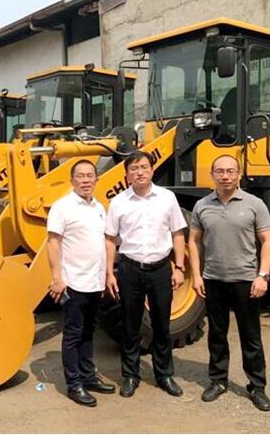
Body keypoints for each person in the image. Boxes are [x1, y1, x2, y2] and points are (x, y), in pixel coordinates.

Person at [188, 154, 270, 411]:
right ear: (212, 175)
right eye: (220, 171)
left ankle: (257, 386)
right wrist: (196, 275)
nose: (225, 176)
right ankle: (218, 381)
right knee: (217, 334)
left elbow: (267, 241)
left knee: (251, 336)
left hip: (246, 281)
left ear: (239, 174)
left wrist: (263, 275)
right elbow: (193, 241)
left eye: (230, 171)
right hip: (213, 280)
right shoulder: (202, 205)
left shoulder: (255, 204)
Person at [105, 150, 187, 398]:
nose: (139, 172)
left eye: (143, 167)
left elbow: (178, 233)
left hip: (160, 269)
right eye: (133, 169)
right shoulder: (118, 202)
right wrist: (109, 273)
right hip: (130, 269)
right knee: (130, 325)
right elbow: (110, 239)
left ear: (152, 170)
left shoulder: (167, 198)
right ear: (127, 175)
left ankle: (164, 375)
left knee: (162, 324)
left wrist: (180, 267)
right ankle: (130, 376)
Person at [47, 159, 116, 407]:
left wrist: (107, 273)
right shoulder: (62, 207)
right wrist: (56, 277)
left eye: (90, 176)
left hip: (95, 281)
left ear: (97, 179)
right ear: (72, 180)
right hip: (73, 282)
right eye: (80, 176)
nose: (86, 180)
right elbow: (53, 243)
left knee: (88, 332)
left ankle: (88, 376)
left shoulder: (99, 207)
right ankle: (74, 384)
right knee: (73, 335)